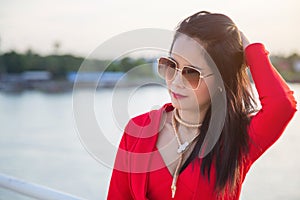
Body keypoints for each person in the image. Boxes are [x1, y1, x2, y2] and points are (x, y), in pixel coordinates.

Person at [107, 11, 297, 200]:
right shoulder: (137, 131)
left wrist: (250, 49)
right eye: (171, 65)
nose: (176, 81)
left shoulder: (238, 140)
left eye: (191, 73)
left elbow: (282, 105)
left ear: (221, 81)